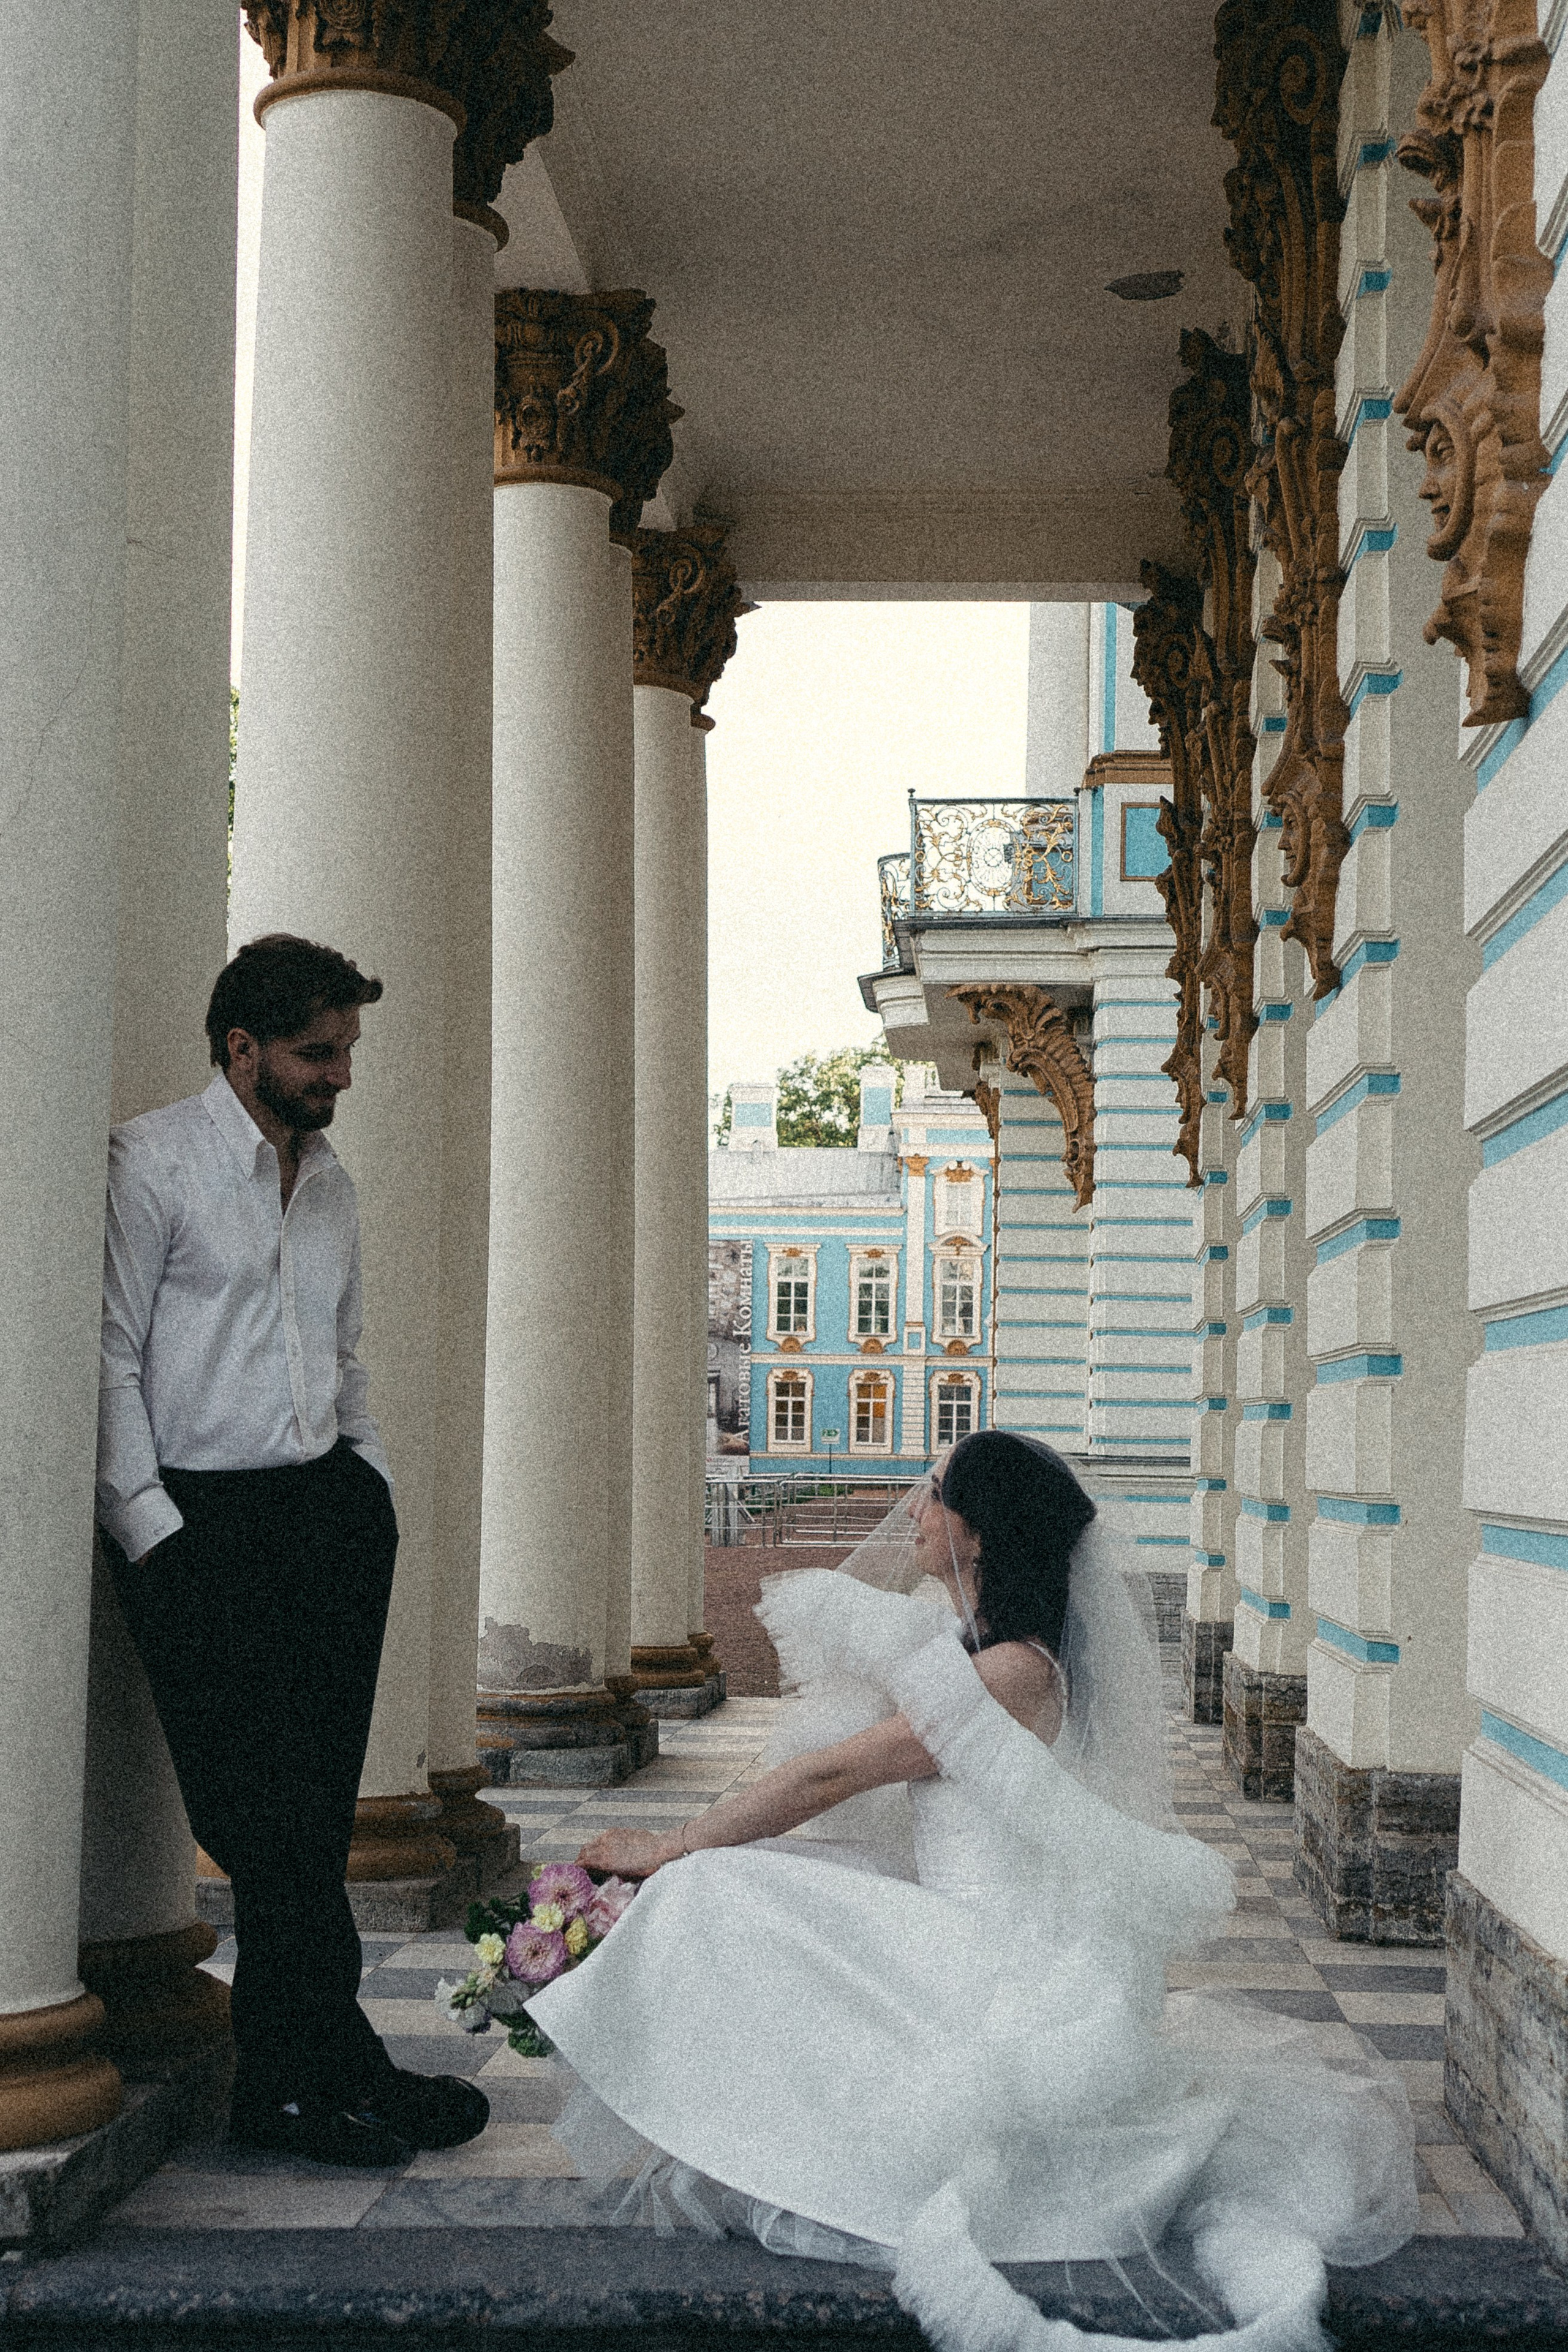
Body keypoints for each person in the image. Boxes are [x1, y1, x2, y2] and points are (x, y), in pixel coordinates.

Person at [524, 1432, 1417, 2352]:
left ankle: (769, 2140)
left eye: (935, 1492)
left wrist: (670, 1842)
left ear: (980, 1533)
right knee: (754, 1890)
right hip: (954, 1918)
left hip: (991, 1948)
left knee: (712, 1890)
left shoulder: (1011, 1670)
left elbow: (829, 1779)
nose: (912, 1509)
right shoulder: (972, 1649)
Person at [96, 933, 488, 2167]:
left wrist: (362, 1483)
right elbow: (105, 1358)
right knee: (261, 1824)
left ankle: (316, 2069)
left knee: (311, 1824)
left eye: (348, 1051)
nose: (342, 1075)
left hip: (321, 1517)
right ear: (243, 1047)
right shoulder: (150, 1164)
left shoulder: (332, 1184)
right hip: (198, 1531)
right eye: (321, 1053)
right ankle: (298, 2077)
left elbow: (346, 1352)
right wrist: (152, 1529)